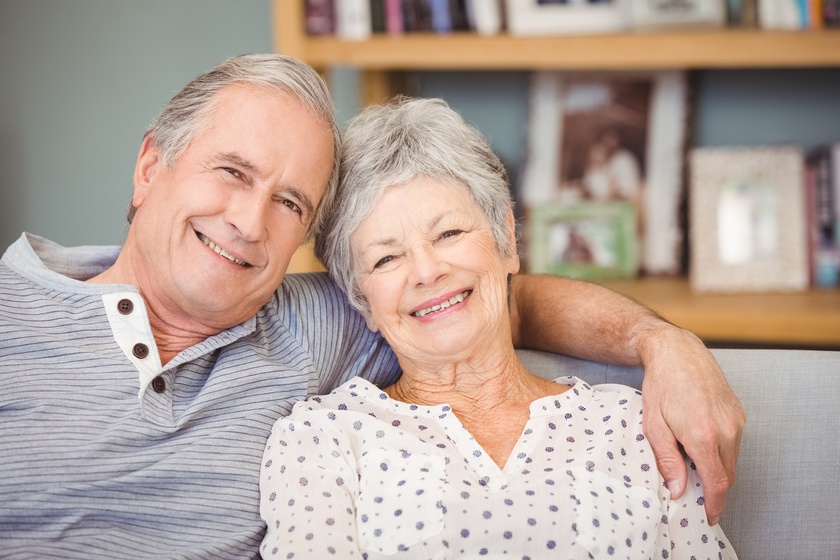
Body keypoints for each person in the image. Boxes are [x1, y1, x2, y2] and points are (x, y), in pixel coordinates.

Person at [0, 55, 742, 559]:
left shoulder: (307, 323)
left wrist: (663, 342)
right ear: (149, 166)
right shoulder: (12, 317)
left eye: (289, 203)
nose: (250, 222)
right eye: (232, 171)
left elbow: (488, 303)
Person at [260, 97, 738, 559]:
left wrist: (663, 340)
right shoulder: (322, 438)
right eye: (386, 258)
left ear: (507, 241)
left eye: (449, 233)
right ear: (361, 301)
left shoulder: (635, 423)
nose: (427, 272)